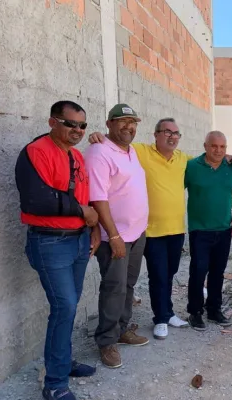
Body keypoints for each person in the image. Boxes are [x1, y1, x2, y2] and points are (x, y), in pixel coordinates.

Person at [88, 120, 232, 339]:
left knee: (169, 273)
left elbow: (209, 160)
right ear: (156, 134)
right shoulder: (140, 151)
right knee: (158, 275)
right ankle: (159, 317)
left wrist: (224, 157)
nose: (172, 137)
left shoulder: (184, 160)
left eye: (176, 133)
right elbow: (118, 142)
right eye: (167, 132)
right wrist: (99, 136)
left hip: (176, 229)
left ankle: (167, 313)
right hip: (151, 230)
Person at [15, 101, 99, 400]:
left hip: (77, 241)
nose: (77, 130)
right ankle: (55, 383)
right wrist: (83, 213)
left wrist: (94, 229)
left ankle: (62, 361)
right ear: (53, 121)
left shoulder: (76, 155)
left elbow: (85, 197)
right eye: (70, 124)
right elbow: (36, 199)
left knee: (70, 305)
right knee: (64, 307)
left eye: (82, 126)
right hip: (50, 243)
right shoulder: (36, 151)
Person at [85, 104, 149, 368]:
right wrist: (113, 236)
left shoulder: (131, 150)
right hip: (116, 236)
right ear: (109, 124)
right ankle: (106, 341)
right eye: (121, 121)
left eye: (132, 122)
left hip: (136, 233)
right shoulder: (99, 152)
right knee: (113, 287)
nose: (128, 126)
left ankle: (122, 329)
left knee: (128, 285)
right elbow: (98, 198)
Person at [185, 131, 232, 330]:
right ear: (205, 146)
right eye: (214, 146)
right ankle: (195, 312)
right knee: (199, 271)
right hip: (200, 230)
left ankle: (214, 309)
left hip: (224, 230)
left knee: (218, 272)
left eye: (222, 147)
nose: (218, 151)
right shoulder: (192, 167)